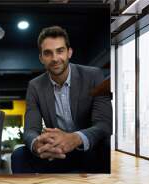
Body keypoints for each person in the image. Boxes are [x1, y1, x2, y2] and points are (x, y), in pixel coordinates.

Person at [11, 26, 112, 173]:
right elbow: (30, 130)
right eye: (48, 53)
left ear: (69, 52)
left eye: (60, 51)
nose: (55, 58)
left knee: (107, 147)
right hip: (56, 152)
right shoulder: (35, 86)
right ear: (41, 58)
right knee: (19, 156)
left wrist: (74, 138)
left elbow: (104, 124)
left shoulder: (93, 76)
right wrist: (37, 144)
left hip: (89, 148)